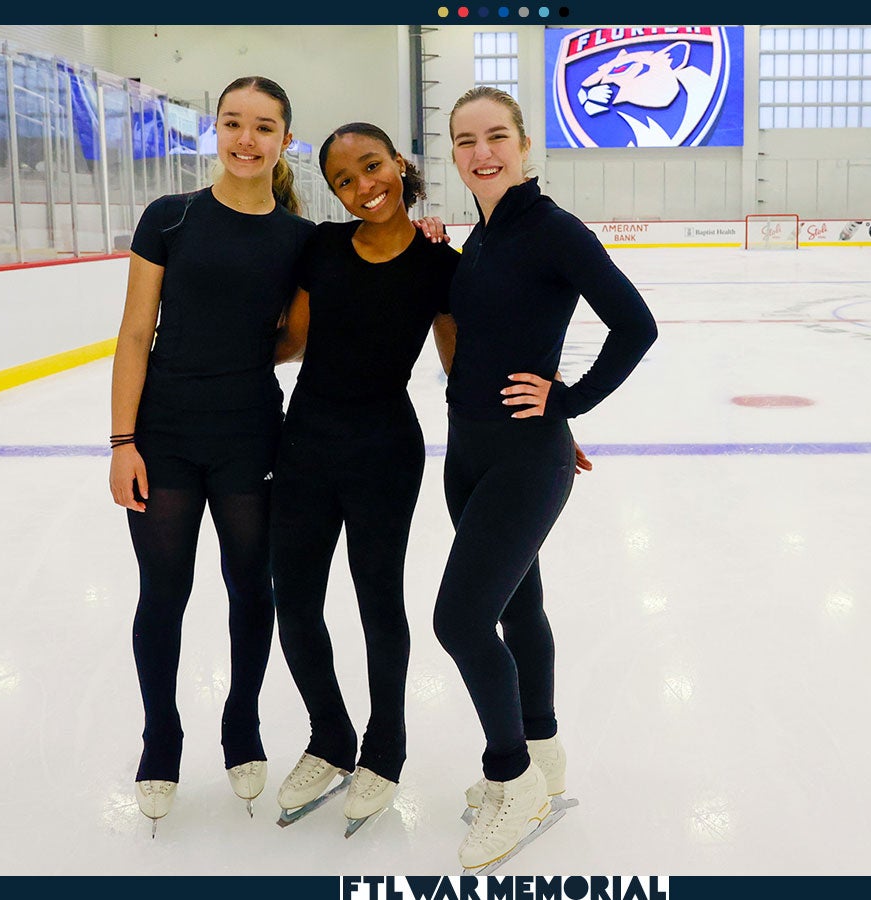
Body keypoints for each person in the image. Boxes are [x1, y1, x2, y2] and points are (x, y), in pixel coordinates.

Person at [435, 86, 658, 872]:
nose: (482, 152)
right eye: (466, 140)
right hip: (468, 454)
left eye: (496, 136)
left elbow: (636, 325)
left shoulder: (553, 229)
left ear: (523, 144)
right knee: (515, 607)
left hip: (527, 458)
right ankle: (543, 755)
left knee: (460, 622)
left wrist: (568, 403)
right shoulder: (481, 237)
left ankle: (515, 781)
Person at [108, 75, 313, 832]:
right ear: (216, 131)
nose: (246, 139)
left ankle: (242, 724)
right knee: (163, 593)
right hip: (163, 434)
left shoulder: (298, 239)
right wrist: (122, 441)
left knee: (251, 589)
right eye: (232, 123)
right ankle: (160, 738)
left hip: (250, 435)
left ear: (284, 140)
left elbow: (294, 339)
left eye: (263, 127)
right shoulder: (170, 217)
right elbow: (136, 333)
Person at [265, 122, 460, 836]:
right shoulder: (321, 246)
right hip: (306, 444)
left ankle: (386, 748)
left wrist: (547, 419)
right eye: (344, 180)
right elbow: (291, 342)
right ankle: (330, 737)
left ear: (399, 163)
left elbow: (462, 369)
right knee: (295, 601)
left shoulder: (441, 263)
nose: (363, 187)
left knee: (379, 601)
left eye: (372, 166)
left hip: (384, 450)